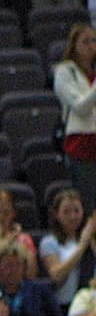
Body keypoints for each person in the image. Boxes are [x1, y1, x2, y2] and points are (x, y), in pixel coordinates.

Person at [57, 24, 96, 211]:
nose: (91, 46)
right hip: (82, 142)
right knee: (88, 202)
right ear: (74, 45)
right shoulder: (65, 71)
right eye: (85, 41)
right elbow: (81, 107)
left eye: (94, 41)